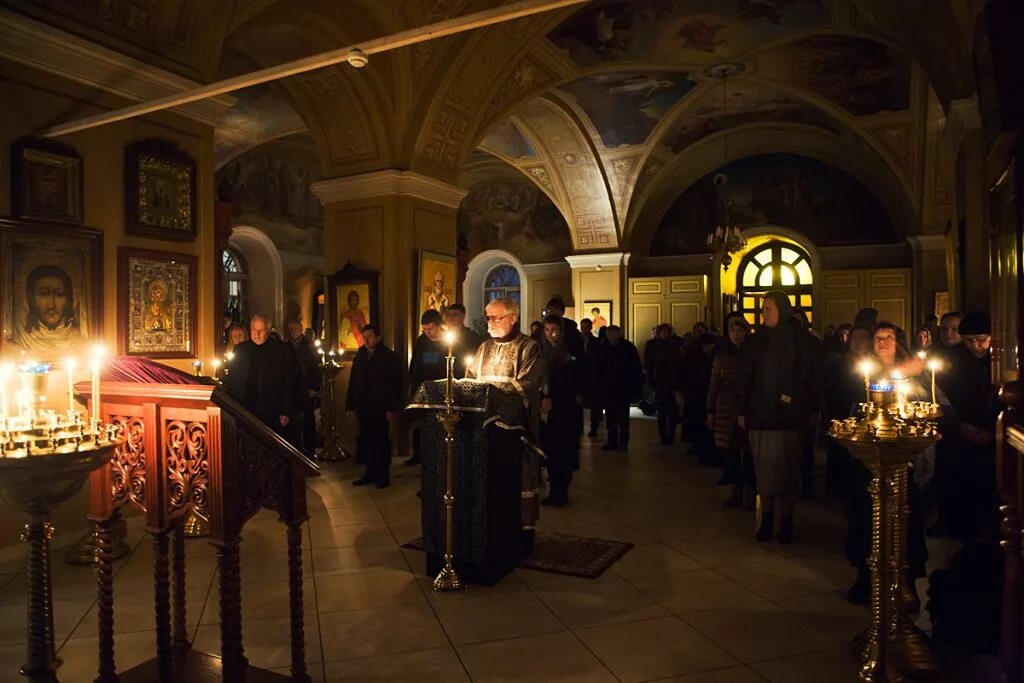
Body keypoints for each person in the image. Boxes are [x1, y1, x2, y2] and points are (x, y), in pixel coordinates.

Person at [738, 291, 820, 544]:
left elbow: (810, 378)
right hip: (761, 416)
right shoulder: (755, 340)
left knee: (787, 470)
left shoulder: (801, 340)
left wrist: (808, 407)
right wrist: (741, 409)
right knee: (765, 470)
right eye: (763, 309)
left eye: (768, 309)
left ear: (781, 310)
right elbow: (745, 376)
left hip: (791, 417)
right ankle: (767, 518)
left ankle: (786, 520)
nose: (763, 313)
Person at [466, 297, 545, 530]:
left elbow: (527, 385)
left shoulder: (529, 347)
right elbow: (470, 380)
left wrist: (489, 393)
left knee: (518, 480)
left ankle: (519, 533)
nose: (490, 322)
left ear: (513, 317)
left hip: (516, 431)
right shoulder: (484, 347)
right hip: (485, 430)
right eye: (488, 317)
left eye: (495, 317)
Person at [944, 311, 1002, 544]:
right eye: (969, 340)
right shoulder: (953, 359)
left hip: (994, 435)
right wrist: (960, 424)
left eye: (981, 339)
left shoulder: (1002, 359)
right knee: (963, 490)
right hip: (962, 433)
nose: (976, 346)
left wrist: (991, 429)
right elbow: (945, 396)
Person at [223, 314, 300, 442]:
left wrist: (286, 410)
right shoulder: (241, 349)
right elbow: (233, 378)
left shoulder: (281, 350)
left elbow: (290, 381)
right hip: (246, 408)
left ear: (268, 331)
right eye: (254, 329)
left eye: (261, 330)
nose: (257, 334)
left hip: (273, 410)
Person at [346, 324, 403, 488]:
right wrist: (350, 405)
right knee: (366, 440)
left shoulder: (389, 357)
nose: (366, 340)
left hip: (381, 406)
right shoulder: (360, 355)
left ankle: (382, 475)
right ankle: (369, 473)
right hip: (364, 406)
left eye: (369, 337)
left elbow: (395, 385)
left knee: (381, 441)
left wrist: (392, 408)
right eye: (364, 337)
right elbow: (353, 381)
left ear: (378, 338)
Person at [708, 313, 754, 508]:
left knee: (750, 452)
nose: (736, 334)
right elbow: (714, 384)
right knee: (731, 452)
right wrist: (710, 410)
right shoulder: (722, 356)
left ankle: (750, 491)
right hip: (726, 407)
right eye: (732, 331)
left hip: (748, 406)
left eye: (740, 331)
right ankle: (734, 490)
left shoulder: (753, 355)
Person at [539, 314, 584, 506]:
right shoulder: (543, 350)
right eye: (547, 330)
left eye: (554, 330)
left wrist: (554, 398)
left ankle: (561, 492)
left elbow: (573, 379)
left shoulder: (569, 352)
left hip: (564, 408)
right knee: (550, 450)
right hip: (547, 408)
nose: (551, 334)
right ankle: (554, 490)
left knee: (563, 451)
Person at [405, 309, 447, 466]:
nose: (428, 333)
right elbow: (416, 364)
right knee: (421, 425)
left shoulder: (450, 341)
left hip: (444, 392)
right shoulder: (422, 341)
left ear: (440, 326)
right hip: (423, 390)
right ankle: (419, 455)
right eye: (425, 329)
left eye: (431, 329)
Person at [598, 325, 643, 452]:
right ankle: (612, 440)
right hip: (608, 387)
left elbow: (635, 368)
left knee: (623, 416)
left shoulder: (628, 347)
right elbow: (598, 367)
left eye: (613, 333)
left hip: (623, 387)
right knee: (610, 415)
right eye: (609, 333)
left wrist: (635, 387)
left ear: (619, 334)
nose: (610, 336)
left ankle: (623, 441)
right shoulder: (603, 347)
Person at [18, 264, 82, 352]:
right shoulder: (20, 339)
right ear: (33, 300)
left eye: (59, 294)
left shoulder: (80, 339)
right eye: (44, 294)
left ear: (67, 300)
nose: (51, 305)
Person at [286, 319, 321, 457]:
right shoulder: (286, 346)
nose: (293, 332)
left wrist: (314, 387)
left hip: (307, 388)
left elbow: (316, 369)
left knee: (307, 420)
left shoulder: (309, 346)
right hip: (291, 389)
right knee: (293, 421)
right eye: (290, 329)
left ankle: (310, 451)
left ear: (300, 329)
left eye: (295, 329)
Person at [646, 323, 683, 445]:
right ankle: (663, 435)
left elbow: (679, 365)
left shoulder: (674, 346)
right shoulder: (652, 345)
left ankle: (670, 435)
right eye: (662, 332)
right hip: (659, 382)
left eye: (666, 332)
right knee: (661, 411)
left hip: (672, 382)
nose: (664, 334)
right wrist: (651, 382)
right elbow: (649, 365)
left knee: (672, 411)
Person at [445, 303, 483, 379]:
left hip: (464, 377)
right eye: (449, 315)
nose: (450, 318)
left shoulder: (472, 337)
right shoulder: (442, 336)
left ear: (462, 317)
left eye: (454, 315)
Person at [580, 318, 603, 438]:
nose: (584, 328)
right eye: (582, 326)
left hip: (593, 375)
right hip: (579, 374)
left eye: (586, 326)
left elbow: (599, 359)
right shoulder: (576, 340)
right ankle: (579, 427)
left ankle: (593, 427)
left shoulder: (596, 342)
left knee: (594, 402)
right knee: (579, 401)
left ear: (590, 327)